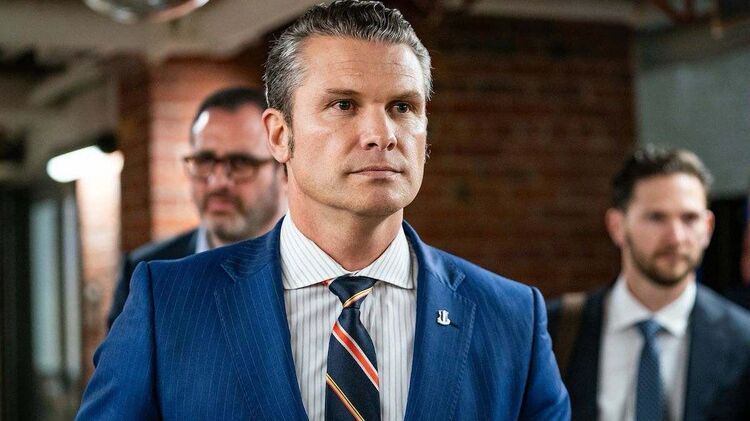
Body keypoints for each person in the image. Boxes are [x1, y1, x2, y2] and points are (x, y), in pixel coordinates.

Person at [76, 1, 570, 420]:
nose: (382, 135)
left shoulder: (511, 319)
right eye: (344, 105)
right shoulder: (169, 304)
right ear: (279, 135)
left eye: (402, 107)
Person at [548, 146, 750, 421]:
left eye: (689, 218)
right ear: (617, 226)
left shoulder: (742, 340)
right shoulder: (555, 330)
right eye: (656, 217)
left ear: (708, 228)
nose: (676, 237)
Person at [106, 86, 287, 328]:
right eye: (205, 161)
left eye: (241, 162)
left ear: (282, 170)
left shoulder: (317, 268)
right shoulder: (145, 274)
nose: (217, 182)